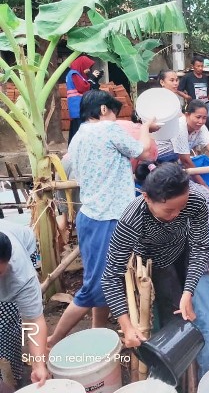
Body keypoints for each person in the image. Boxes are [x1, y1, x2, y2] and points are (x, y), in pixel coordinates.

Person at [48, 90, 156, 348]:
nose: (116, 119)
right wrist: (146, 127)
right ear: (104, 110)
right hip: (107, 218)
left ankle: (98, 333)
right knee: (95, 286)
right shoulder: (108, 130)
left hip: (92, 216)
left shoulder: (78, 136)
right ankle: (53, 339)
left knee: (104, 282)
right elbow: (143, 152)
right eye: (115, 113)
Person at [102, 164, 209, 349]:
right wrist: (127, 327)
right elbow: (111, 276)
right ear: (147, 198)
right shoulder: (132, 219)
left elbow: (200, 246)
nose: (177, 215)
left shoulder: (196, 201)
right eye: (169, 210)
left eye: (181, 208)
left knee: (192, 304)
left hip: (182, 249)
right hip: (151, 261)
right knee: (165, 309)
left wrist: (188, 291)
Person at [131, 163, 209, 379]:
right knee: (177, 311)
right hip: (172, 256)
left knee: (203, 318)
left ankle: (208, 379)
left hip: (201, 254)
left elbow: (199, 251)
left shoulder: (193, 204)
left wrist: (187, 292)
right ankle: (176, 376)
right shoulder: (145, 210)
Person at [0, 220, 48, 388]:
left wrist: (38, 365)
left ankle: (13, 377)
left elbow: (33, 321)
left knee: (5, 327)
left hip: (24, 245)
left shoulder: (21, 277)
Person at [155, 100, 209, 180]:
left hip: (169, 162)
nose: (201, 121)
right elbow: (186, 161)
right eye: (198, 117)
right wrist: (205, 188)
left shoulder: (201, 127)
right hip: (153, 161)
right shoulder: (179, 127)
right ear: (187, 115)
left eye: (204, 118)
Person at [65, 55, 102, 143]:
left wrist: (94, 79)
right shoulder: (74, 73)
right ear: (82, 65)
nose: (88, 70)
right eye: (87, 67)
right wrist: (91, 78)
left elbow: (90, 86)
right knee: (79, 130)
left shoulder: (78, 74)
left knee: (76, 129)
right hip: (77, 105)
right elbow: (82, 88)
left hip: (78, 105)